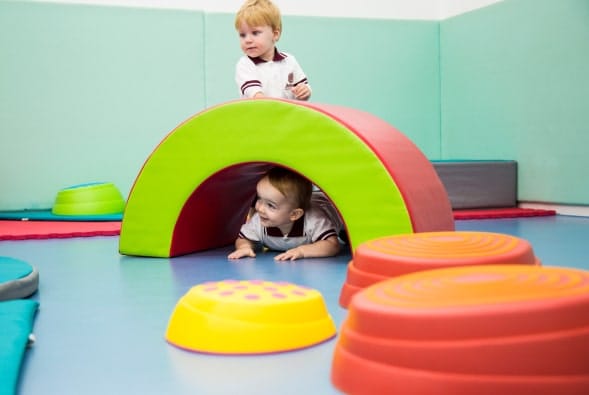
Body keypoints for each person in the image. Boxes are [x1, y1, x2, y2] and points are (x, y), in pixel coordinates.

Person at [228, 167, 341, 261]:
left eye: (270, 205)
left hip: (327, 204)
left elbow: (332, 244)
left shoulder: (313, 220)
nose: (260, 209)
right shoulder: (260, 220)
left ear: (294, 214)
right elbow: (243, 238)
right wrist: (244, 247)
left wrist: (301, 251)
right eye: (259, 199)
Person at [234, 0, 312, 100]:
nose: (248, 40)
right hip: (257, 115)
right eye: (242, 35)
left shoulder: (289, 61)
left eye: (255, 33)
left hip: (286, 115)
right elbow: (256, 95)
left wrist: (304, 91)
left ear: (275, 34)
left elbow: (303, 88)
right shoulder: (245, 64)